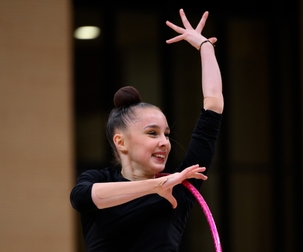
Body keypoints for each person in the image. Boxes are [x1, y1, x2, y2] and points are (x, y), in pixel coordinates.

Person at [70, 9, 224, 252]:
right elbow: (81, 198)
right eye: (153, 133)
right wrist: (156, 187)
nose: (164, 141)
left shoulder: (181, 187)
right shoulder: (97, 180)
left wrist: (205, 46)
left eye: (166, 134)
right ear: (121, 142)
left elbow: (213, 107)